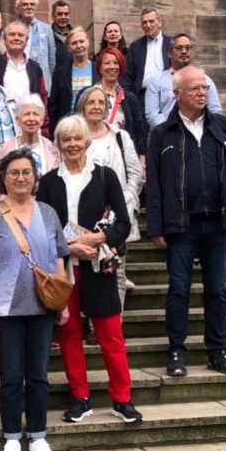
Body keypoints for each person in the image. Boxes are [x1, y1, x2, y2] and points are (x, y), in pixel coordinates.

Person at [36, 115, 141, 424]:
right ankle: (80, 398)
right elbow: (40, 229)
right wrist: (69, 248)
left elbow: (123, 224)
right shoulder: (48, 182)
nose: (72, 144)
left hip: (98, 267)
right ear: (58, 144)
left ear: (87, 141)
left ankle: (122, 398)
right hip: (63, 269)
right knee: (68, 333)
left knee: (110, 333)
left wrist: (98, 238)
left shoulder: (106, 176)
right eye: (65, 139)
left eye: (77, 138)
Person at [0, 148, 70, 451]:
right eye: (14, 173)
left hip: (42, 308)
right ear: (3, 178)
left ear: (35, 177)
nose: (21, 178)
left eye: (27, 172)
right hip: (5, 308)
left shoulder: (48, 213)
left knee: (38, 376)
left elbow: (59, 257)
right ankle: (12, 439)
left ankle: (38, 438)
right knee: (11, 376)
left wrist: (63, 301)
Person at [146, 66, 226, 378]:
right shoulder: (161, 133)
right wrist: (156, 226)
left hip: (217, 222)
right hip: (181, 224)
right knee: (179, 289)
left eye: (204, 88)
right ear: (177, 94)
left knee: (217, 291)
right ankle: (176, 351)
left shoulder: (223, 126)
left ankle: (217, 351)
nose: (202, 93)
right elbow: (154, 184)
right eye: (195, 89)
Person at [74, 85, 143, 308]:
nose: (96, 107)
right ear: (82, 107)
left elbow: (136, 173)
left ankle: (115, 321)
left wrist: (127, 201)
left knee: (117, 272)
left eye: (101, 102)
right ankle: (92, 319)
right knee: (85, 272)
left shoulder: (120, 136)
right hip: (82, 217)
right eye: (91, 102)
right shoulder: (73, 137)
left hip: (115, 218)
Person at [144, 33, 222, 129]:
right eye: (179, 48)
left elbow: (215, 110)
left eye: (187, 48)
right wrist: (169, 131)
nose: (184, 51)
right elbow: (152, 114)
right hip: (167, 133)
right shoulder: (157, 81)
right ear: (169, 53)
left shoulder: (205, 80)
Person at [93, 48, 147, 161]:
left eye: (116, 63)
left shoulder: (130, 98)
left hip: (121, 157)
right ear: (100, 68)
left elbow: (139, 132)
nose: (112, 66)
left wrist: (142, 159)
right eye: (107, 63)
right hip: (94, 154)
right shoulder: (88, 95)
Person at [0, 94, 60, 181]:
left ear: (42, 120)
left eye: (36, 114)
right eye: (26, 114)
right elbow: (0, 185)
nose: (31, 118)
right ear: (17, 120)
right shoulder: (5, 150)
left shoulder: (52, 149)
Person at [49, 27, 96, 132]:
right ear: (69, 48)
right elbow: (53, 107)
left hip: (92, 126)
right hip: (68, 128)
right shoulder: (60, 73)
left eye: (81, 41)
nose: (79, 46)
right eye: (74, 43)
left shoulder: (98, 70)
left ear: (88, 42)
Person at [120, 7, 171, 97]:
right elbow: (127, 75)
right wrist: (129, 96)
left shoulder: (171, 43)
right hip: (142, 96)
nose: (148, 25)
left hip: (167, 94)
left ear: (159, 22)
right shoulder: (135, 47)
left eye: (151, 21)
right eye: (144, 22)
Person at [0, 20, 48, 107]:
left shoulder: (35, 67)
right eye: (12, 34)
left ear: (26, 40)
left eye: (20, 35)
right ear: (4, 40)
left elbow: (43, 96)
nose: (16, 38)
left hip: (29, 115)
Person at [14, 0, 56, 89]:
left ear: (36, 7)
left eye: (32, 4)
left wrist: (48, 79)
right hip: (18, 80)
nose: (29, 7)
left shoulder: (46, 29)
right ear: (18, 8)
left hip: (41, 81)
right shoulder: (11, 30)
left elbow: (51, 60)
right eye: (25, 4)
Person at [51, 0, 73, 70]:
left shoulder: (75, 36)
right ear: (53, 16)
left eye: (66, 14)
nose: (63, 17)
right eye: (60, 14)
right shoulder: (47, 36)